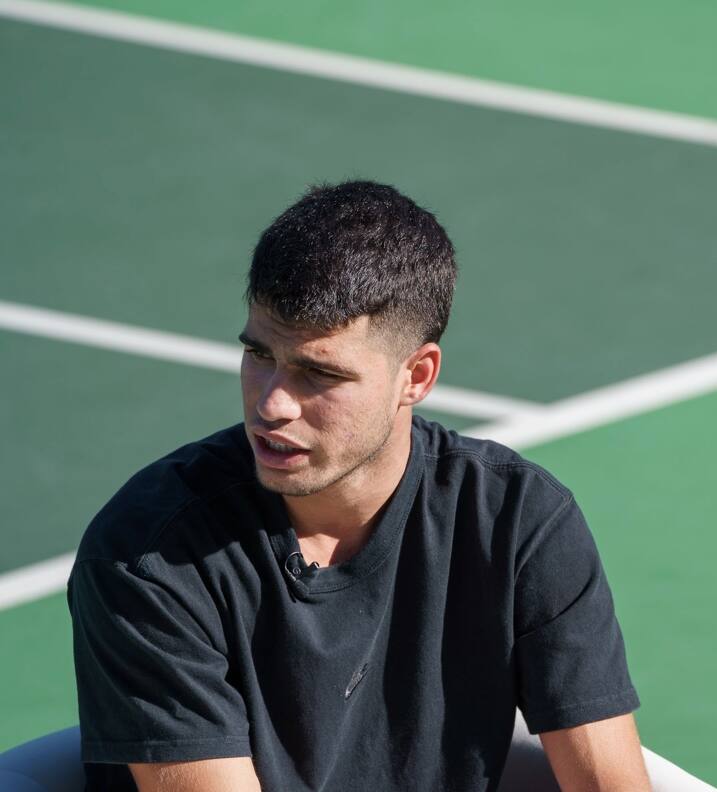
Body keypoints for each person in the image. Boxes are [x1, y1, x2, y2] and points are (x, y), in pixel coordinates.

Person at [67, 181, 651, 791]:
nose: (272, 404)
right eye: (259, 354)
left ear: (416, 376)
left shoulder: (521, 521)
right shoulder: (148, 555)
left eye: (319, 373)